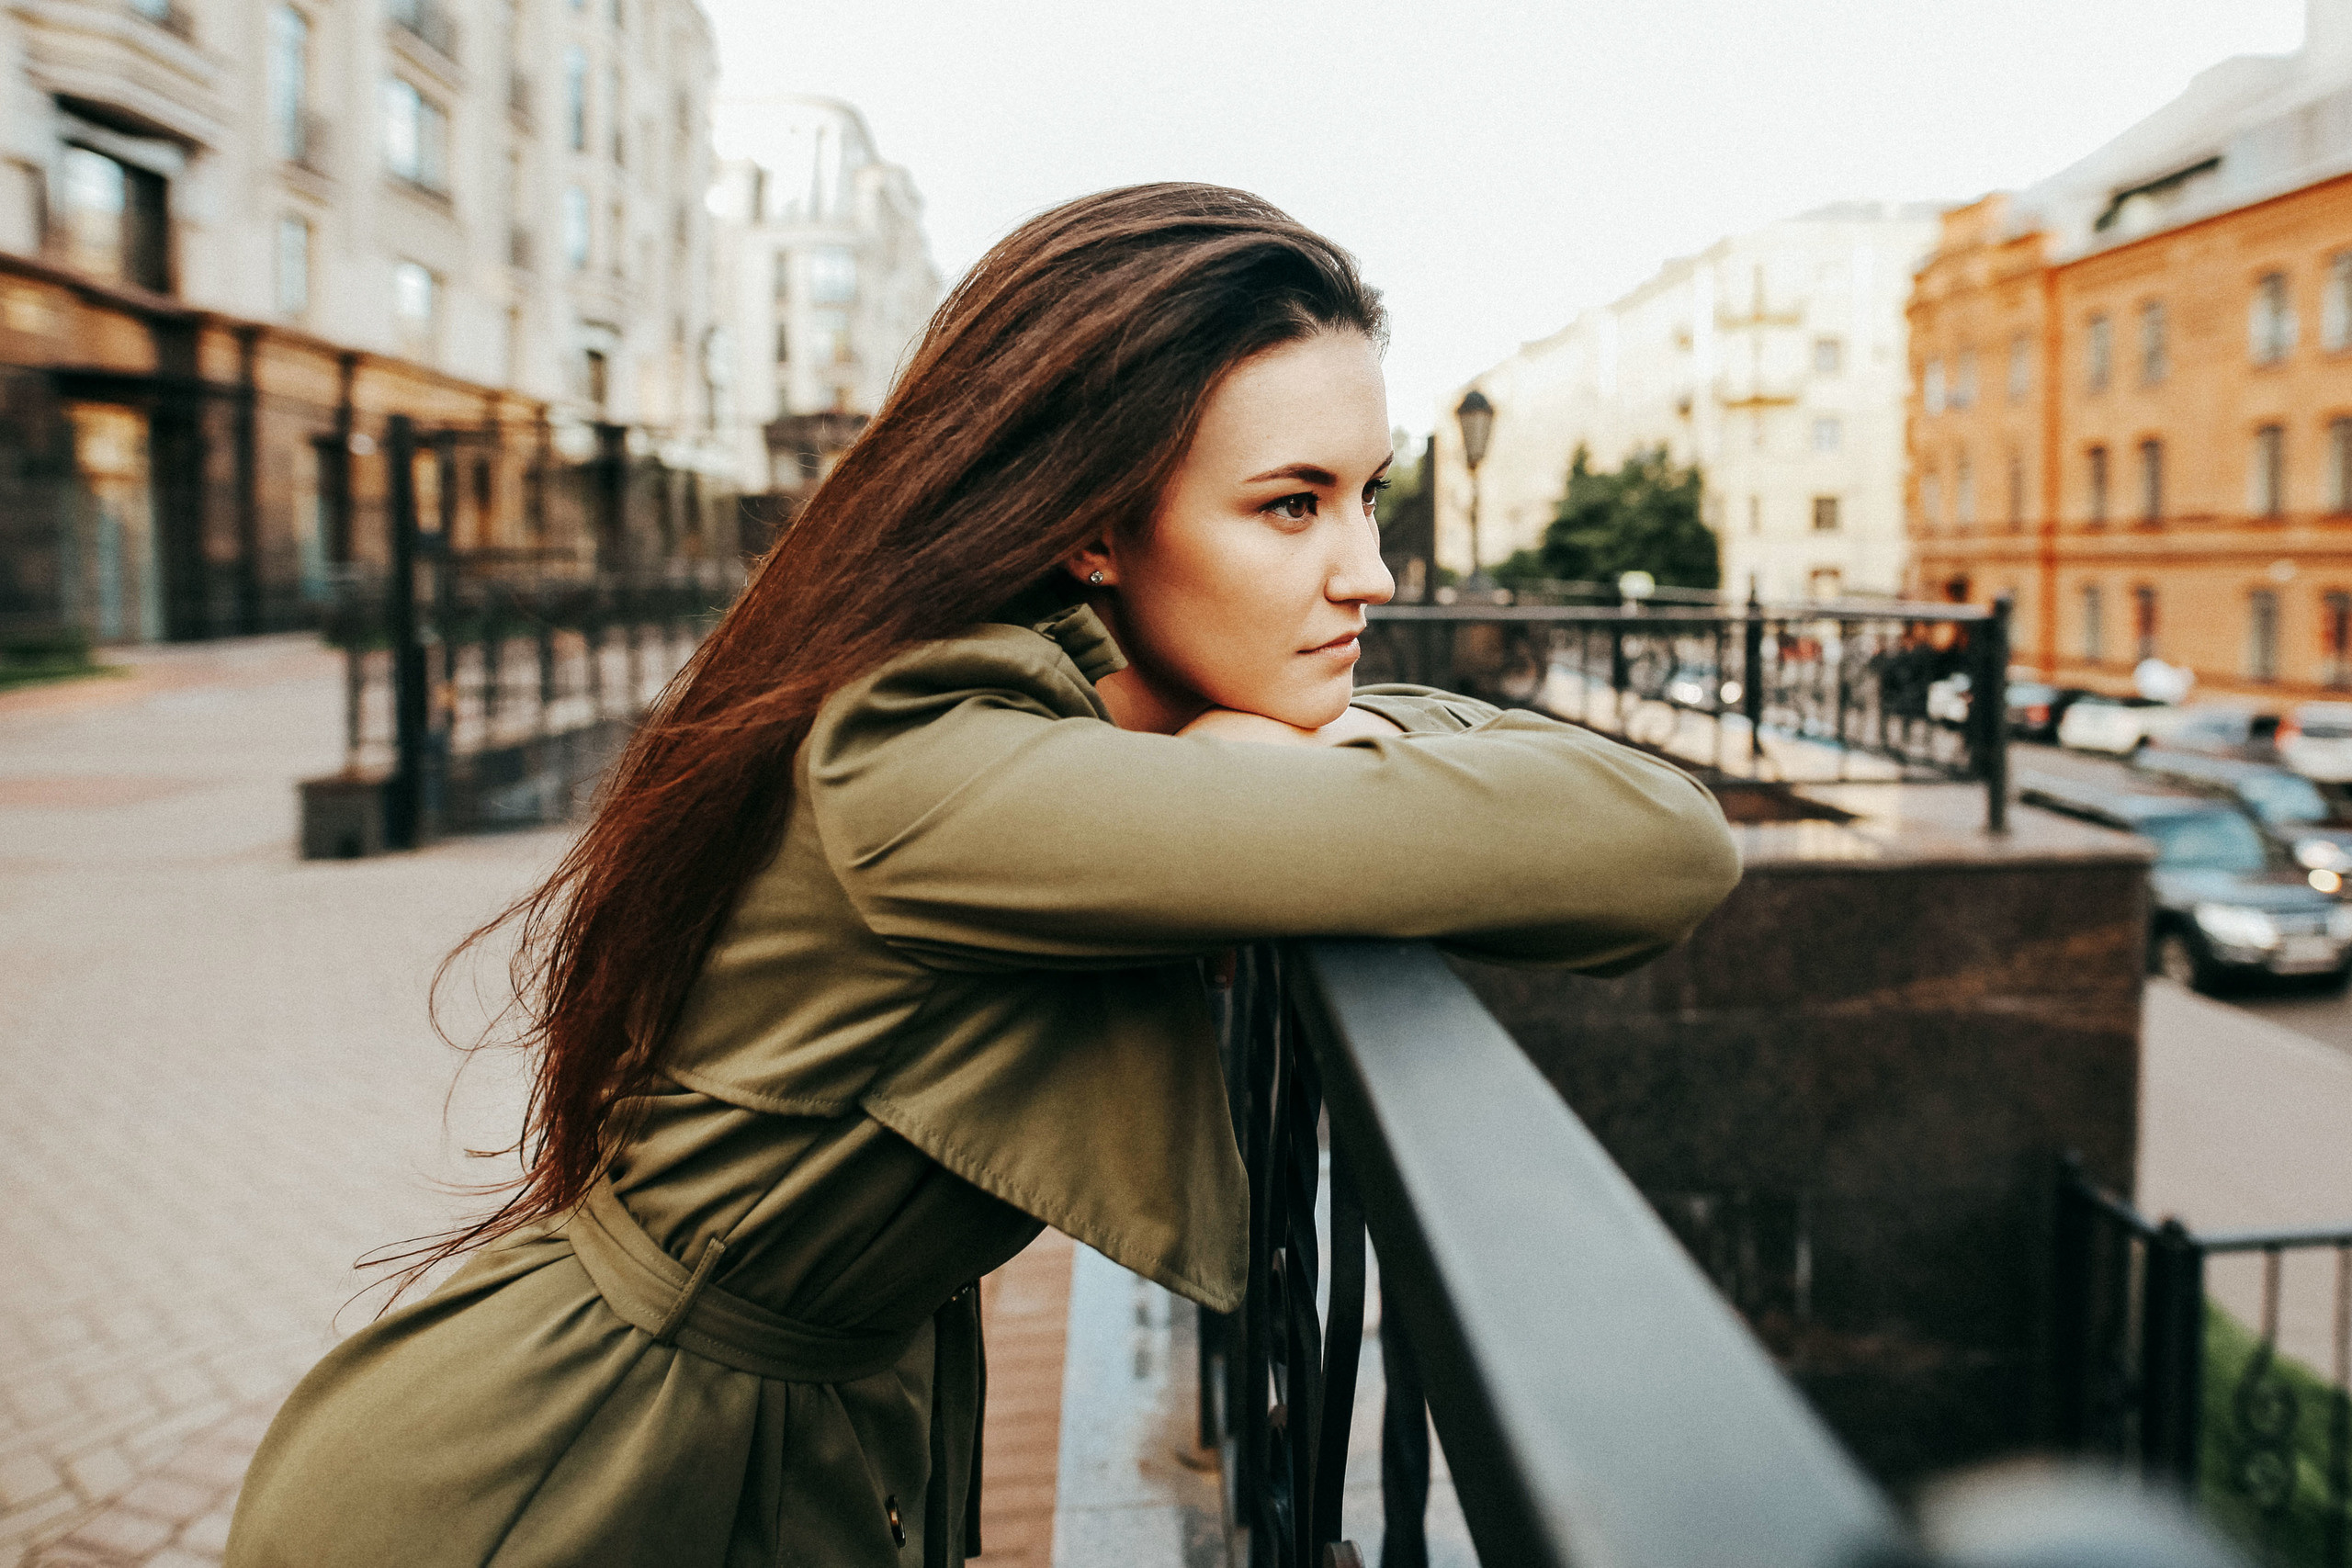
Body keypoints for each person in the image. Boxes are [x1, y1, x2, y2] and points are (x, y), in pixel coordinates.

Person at [226, 184, 1741, 1568]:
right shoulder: (932, 766)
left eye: (1369, 496)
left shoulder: (1037, 720)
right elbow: (1663, 847)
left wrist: (1241, 752)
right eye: (1293, 505)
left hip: (794, 1430)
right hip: (560, 1486)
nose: (1373, 571)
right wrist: (1233, 767)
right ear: (1091, 521)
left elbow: (1632, 821)